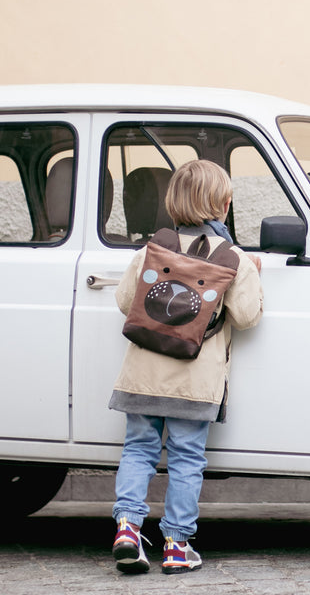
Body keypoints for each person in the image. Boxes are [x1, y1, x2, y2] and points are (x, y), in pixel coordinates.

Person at [108, 159, 263, 574]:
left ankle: (127, 528)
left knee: (139, 449)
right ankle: (176, 545)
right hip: (194, 383)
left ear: (172, 204)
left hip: (142, 377)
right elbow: (247, 317)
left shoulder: (151, 250)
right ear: (225, 205)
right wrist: (253, 277)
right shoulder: (234, 260)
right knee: (186, 459)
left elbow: (126, 302)